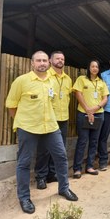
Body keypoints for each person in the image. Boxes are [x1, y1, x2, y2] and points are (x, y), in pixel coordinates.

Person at [5, 51, 78, 214]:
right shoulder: (22, 81)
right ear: (32, 63)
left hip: (51, 127)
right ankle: (24, 198)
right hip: (28, 128)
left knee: (61, 156)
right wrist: (21, 124)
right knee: (24, 162)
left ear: (48, 63)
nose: (42, 63)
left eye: (44, 60)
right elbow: (11, 105)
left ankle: (63, 188)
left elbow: (51, 102)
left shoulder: (52, 81)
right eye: (38, 60)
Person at [34, 51, 72, 189]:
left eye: (62, 58)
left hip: (63, 118)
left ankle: (52, 174)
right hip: (49, 119)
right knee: (44, 150)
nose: (60, 61)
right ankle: (41, 177)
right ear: (50, 60)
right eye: (57, 58)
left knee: (59, 150)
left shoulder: (68, 79)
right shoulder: (46, 76)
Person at [72, 59, 109, 178]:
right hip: (83, 114)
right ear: (88, 68)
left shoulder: (102, 82)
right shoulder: (81, 79)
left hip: (99, 114)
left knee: (94, 141)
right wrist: (88, 110)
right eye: (92, 66)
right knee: (82, 141)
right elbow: (78, 94)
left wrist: (95, 109)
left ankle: (90, 166)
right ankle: (77, 169)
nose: (94, 69)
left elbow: (105, 98)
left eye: (97, 67)